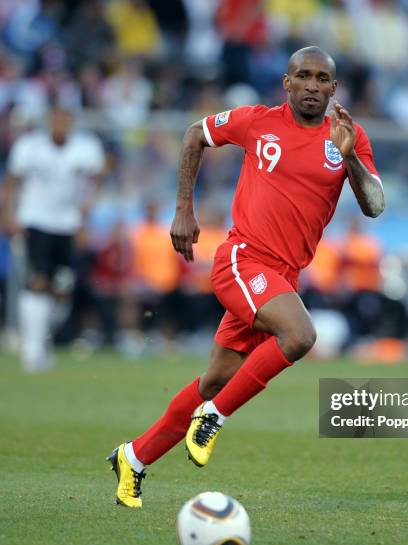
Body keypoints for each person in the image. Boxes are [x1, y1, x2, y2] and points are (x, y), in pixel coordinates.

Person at [107, 46, 385, 508]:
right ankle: (213, 418)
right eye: (304, 76)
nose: (312, 85)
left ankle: (133, 458)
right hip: (242, 261)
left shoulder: (348, 137)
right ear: (287, 82)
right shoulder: (259, 122)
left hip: (282, 278)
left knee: (216, 378)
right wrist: (183, 210)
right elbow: (195, 133)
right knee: (300, 335)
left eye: (322, 79)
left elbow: (374, 206)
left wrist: (351, 156)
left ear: (334, 88)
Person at [2, 106, 105, 372]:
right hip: (35, 221)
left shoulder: (85, 149)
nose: (62, 124)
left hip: (68, 224)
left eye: (66, 119)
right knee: (38, 281)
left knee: (62, 287)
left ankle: (41, 340)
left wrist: (85, 217)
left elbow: (97, 179)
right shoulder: (30, 147)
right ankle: (33, 349)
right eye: (58, 118)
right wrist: (9, 215)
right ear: (50, 121)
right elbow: (12, 181)